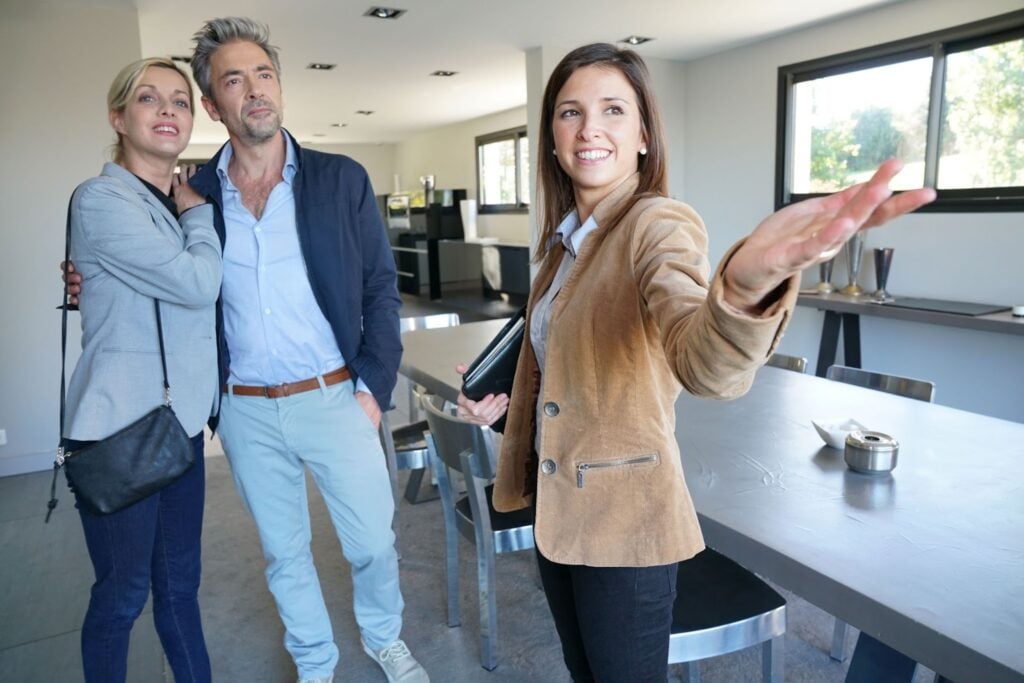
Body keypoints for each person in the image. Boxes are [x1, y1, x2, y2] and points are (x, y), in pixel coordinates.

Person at [455, 43, 936, 682]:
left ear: (645, 136)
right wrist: (506, 408)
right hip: (558, 505)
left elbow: (701, 358)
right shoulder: (563, 245)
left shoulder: (657, 224)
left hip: (627, 525)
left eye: (613, 110)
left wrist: (738, 292)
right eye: (570, 112)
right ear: (551, 137)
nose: (589, 128)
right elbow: (570, 366)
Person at [62, 57, 220, 683]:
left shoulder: (176, 200)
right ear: (118, 117)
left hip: (175, 427)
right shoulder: (101, 198)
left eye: (180, 101)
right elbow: (196, 283)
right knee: (123, 595)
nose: (167, 111)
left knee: (180, 591)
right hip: (119, 431)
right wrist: (198, 216)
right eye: (149, 99)